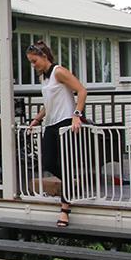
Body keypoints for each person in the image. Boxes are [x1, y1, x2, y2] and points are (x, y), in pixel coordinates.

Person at [26, 40, 87, 227]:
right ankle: (72, 183)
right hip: (51, 124)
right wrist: (37, 118)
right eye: (30, 62)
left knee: (64, 164)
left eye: (34, 61)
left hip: (66, 123)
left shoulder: (59, 71)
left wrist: (77, 115)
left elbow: (82, 90)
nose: (33, 65)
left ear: (44, 57)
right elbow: (49, 103)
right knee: (48, 162)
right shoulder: (44, 77)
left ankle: (65, 210)